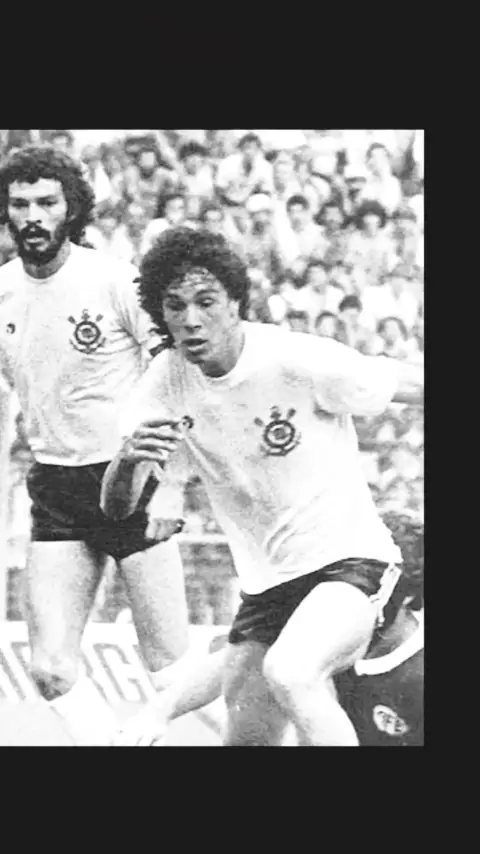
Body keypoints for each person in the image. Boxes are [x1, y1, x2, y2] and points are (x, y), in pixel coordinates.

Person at [101, 227, 423, 747]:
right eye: (175, 305)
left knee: (293, 671)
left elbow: (403, 382)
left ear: (235, 303)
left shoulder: (295, 359)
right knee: (248, 740)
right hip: (268, 588)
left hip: (351, 561)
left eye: (206, 302)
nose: (190, 319)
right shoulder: (163, 382)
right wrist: (126, 459)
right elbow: (117, 509)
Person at [0, 145, 189, 746]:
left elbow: (178, 374)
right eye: (20, 204)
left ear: (72, 209)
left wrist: (173, 482)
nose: (33, 216)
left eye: (46, 202)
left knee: (172, 673)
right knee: (51, 670)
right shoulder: (2, 293)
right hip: (56, 484)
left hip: (132, 477)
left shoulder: (113, 280)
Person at [112, 509, 424, 748]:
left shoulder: (418, 672)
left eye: (365, 586)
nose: (351, 594)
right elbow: (229, 663)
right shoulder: (331, 626)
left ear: (407, 594)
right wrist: (156, 714)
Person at [140, 192, 192, 256]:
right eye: (172, 207)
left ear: (186, 209)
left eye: (180, 208)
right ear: (165, 209)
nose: (176, 210)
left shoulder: (192, 227)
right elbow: (144, 250)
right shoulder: (154, 225)